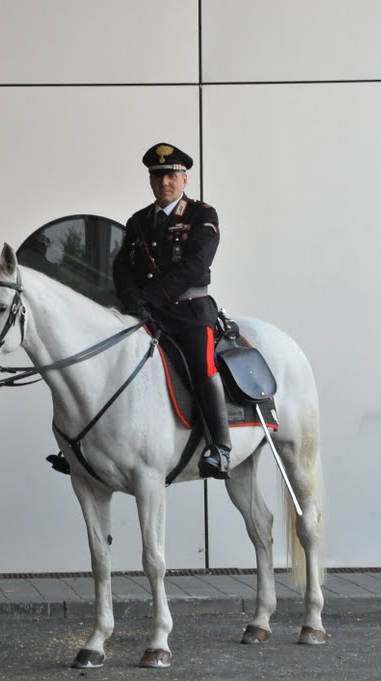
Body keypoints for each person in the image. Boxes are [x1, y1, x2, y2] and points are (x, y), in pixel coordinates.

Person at [111, 142, 231, 479]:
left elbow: (195, 265)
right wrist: (132, 300)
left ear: (184, 179)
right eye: (158, 176)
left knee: (201, 365)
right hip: (146, 314)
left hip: (189, 313)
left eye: (172, 175)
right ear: (151, 181)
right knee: (108, 360)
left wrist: (149, 296)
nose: (165, 182)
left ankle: (220, 447)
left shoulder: (202, 214)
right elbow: (122, 267)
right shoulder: (137, 222)